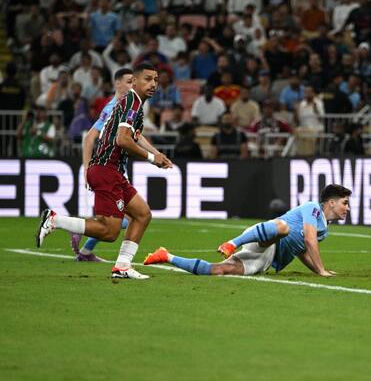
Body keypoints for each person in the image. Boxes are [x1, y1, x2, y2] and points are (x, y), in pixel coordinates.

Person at [35, 63, 173, 280]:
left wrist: (157, 155)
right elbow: (122, 139)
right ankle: (54, 220)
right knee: (109, 232)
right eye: (147, 79)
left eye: (155, 79)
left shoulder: (132, 104)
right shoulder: (132, 103)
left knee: (142, 214)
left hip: (113, 170)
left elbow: (132, 136)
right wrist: (151, 158)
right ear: (134, 82)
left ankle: (122, 266)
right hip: (106, 170)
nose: (153, 84)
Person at [143, 184, 351, 277]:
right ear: (331, 203)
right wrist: (322, 270)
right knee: (283, 227)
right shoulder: (313, 209)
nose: (347, 208)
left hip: (267, 259)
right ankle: (232, 243)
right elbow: (309, 242)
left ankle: (166, 256)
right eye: (344, 203)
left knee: (219, 270)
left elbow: (301, 250)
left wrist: (317, 270)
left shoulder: (324, 229)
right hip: (266, 236)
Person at [72, 68, 140, 261]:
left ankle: (85, 252)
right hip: (109, 169)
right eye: (128, 81)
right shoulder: (114, 108)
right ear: (117, 84)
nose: (132, 85)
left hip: (115, 169)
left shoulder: (121, 106)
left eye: (133, 82)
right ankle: (79, 226)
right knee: (129, 218)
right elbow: (88, 138)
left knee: (119, 219)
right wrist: (86, 168)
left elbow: (89, 138)